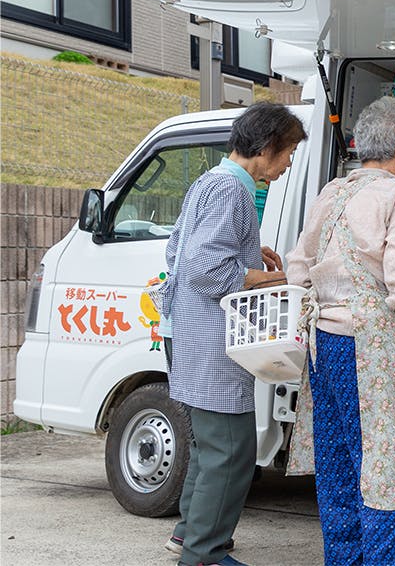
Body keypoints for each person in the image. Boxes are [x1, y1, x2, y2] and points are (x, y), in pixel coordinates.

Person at [286, 97, 395, 566]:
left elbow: (299, 270)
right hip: (377, 351)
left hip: (326, 346)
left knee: (339, 468)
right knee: (388, 469)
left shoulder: (333, 192)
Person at [162, 102, 307, 566]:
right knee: (231, 451)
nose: (287, 165)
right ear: (265, 149)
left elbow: (178, 252)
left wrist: (250, 253)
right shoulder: (232, 191)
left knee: (212, 448)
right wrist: (268, 278)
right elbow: (206, 268)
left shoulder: (212, 179)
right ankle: (203, 553)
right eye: (287, 154)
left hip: (192, 334)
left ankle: (190, 536)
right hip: (213, 341)